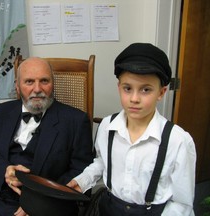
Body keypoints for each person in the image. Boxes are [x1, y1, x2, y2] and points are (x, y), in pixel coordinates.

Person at [67, 43, 196, 216]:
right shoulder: (107, 126)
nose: (134, 99)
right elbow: (102, 162)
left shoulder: (178, 140)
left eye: (146, 90)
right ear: (119, 88)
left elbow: (182, 204)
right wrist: (82, 181)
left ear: (161, 92)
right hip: (109, 209)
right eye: (128, 89)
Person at [0, 57, 94, 216]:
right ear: (17, 85)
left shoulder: (76, 120)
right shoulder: (3, 111)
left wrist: (37, 204)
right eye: (29, 82)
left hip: (47, 205)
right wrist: (5, 170)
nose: (37, 89)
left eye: (44, 81)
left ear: (53, 83)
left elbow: (81, 171)